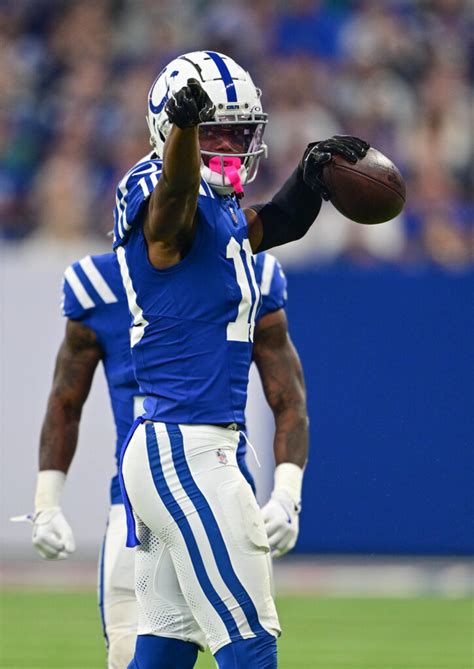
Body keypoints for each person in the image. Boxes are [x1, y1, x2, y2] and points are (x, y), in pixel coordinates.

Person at [113, 50, 368, 668]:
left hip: (178, 448)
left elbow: (275, 223)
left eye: (239, 131)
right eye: (213, 131)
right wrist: (184, 134)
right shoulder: (159, 193)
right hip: (188, 448)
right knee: (250, 642)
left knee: (165, 648)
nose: (230, 145)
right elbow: (171, 211)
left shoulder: (219, 210)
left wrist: (311, 177)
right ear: (172, 129)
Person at [27, 248, 306, 669]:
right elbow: (65, 402)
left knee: (244, 640)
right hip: (141, 501)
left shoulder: (248, 270)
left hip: (219, 482)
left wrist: (287, 494)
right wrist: (46, 503)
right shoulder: (99, 285)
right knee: (145, 653)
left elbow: (289, 398)